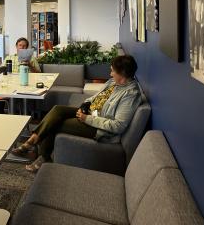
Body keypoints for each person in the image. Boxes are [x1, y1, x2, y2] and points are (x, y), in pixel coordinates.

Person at [12, 55, 142, 172]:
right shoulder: (113, 83)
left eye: (113, 71)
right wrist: (85, 105)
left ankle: (41, 154)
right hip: (92, 113)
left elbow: (118, 125)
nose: (110, 73)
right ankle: (33, 142)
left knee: (57, 123)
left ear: (123, 73)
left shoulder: (130, 94)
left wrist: (87, 119)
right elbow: (95, 97)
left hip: (100, 128)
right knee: (57, 110)